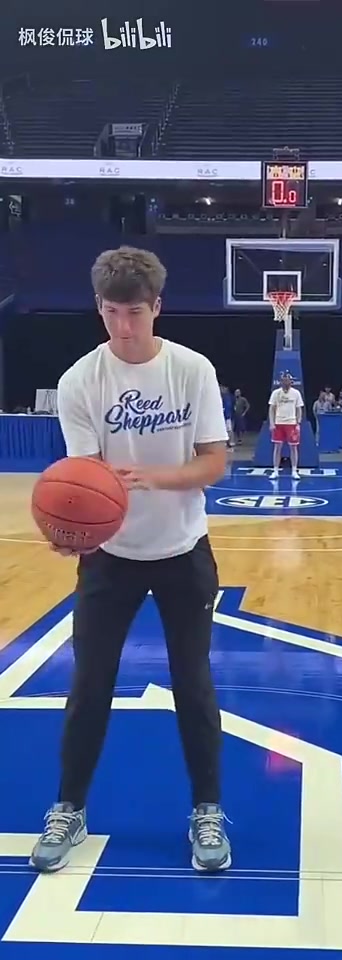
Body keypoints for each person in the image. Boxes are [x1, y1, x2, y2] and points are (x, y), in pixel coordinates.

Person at [29, 246, 232, 875]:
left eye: (135, 312)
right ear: (99, 308)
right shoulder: (80, 381)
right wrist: (73, 532)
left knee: (193, 684)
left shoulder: (192, 369)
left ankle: (206, 810)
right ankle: (69, 808)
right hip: (111, 558)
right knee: (89, 685)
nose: (123, 325)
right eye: (112, 312)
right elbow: (84, 482)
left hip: (183, 550)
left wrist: (153, 478)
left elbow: (215, 461)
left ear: (156, 308)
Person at [269, 372, 304, 479]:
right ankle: (275, 471)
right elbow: (272, 408)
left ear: (291, 381)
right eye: (283, 380)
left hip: (291, 423)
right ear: (281, 381)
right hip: (278, 423)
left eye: (287, 380)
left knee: (293, 448)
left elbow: (299, 409)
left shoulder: (296, 393)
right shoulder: (276, 393)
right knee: (277, 447)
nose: (285, 382)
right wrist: (272, 423)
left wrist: (298, 423)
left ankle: (294, 470)